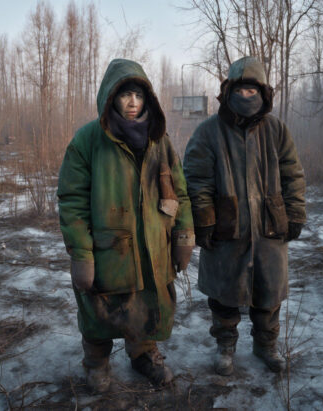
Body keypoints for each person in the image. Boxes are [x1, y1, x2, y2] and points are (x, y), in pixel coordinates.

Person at [57, 58, 194, 392]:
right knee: (98, 311)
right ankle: (96, 364)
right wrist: (81, 254)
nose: (133, 102)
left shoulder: (159, 139)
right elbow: (72, 200)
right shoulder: (87, 140)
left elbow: (180, 191)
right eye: (124, 94)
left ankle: (144, 355)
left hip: (153, 247)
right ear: (110, 97)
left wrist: (184, 234)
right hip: (108, 251)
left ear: (148, 99)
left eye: (138, 94)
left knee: (147, 306)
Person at [183, 56, 306, 375]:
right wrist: (205, 217)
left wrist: (294, 212)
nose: (247, 96)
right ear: (228, 91)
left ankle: (266, 346)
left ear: (264, 93)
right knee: (224, 297)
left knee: (269, 295)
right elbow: (196, 178)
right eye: (241, 89)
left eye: (253, 90)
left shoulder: (277, 130)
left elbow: (293, 173)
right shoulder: (208, 131)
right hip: (226, 230)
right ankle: (225, 348)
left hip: (269, 229)